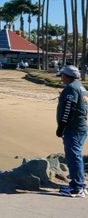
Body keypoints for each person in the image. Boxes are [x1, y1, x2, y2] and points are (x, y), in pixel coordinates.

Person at [56, 65, 88, 197]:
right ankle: (78, 184)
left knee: (74, 156)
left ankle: (77, 187)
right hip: (81, 128)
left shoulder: (71, 88)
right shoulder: (81, 88)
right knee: (75, 155)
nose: (61, 77)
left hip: (73, 129)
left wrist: (61, 127)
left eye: (62, 74)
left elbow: (69, 109)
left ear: (68, 76)